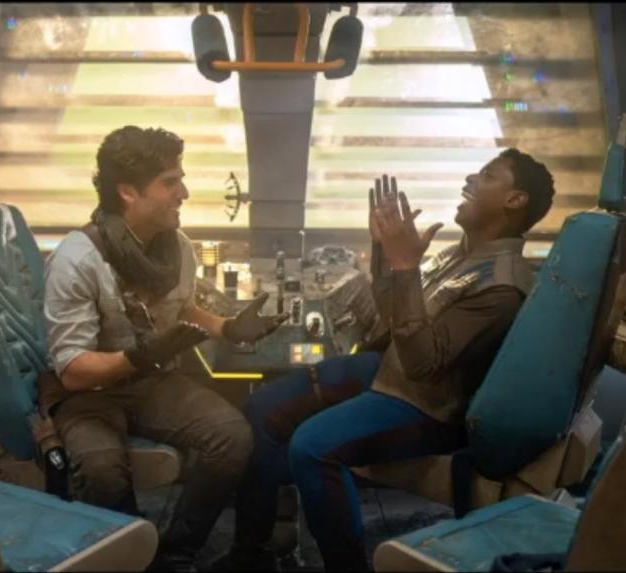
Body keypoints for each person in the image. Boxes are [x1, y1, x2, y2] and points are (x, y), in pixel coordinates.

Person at [213, 148, 556, 571]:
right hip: (389, 373)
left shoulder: (502, 287)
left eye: (486, 175)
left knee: (311, 448)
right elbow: (393, 322)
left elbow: (423, 364)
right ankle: (252, 552)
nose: (471, 178)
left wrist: (406, 265)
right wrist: (383, 254)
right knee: (262, 406)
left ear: (515, 200)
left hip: (425, 405)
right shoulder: (460, 256)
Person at [42, 125, 288, 572]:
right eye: (170, 183)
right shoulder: (77, 259)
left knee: (232, 438)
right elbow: (73, 371)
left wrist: (229, 328)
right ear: (128, 192)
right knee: (100, 469)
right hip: (89, 396)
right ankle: (129, 557)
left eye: (181, 179)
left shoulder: (177, 249)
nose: (184, 193)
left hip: (151, 381)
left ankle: (175, 552)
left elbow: (183, 308)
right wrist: (138, 356)